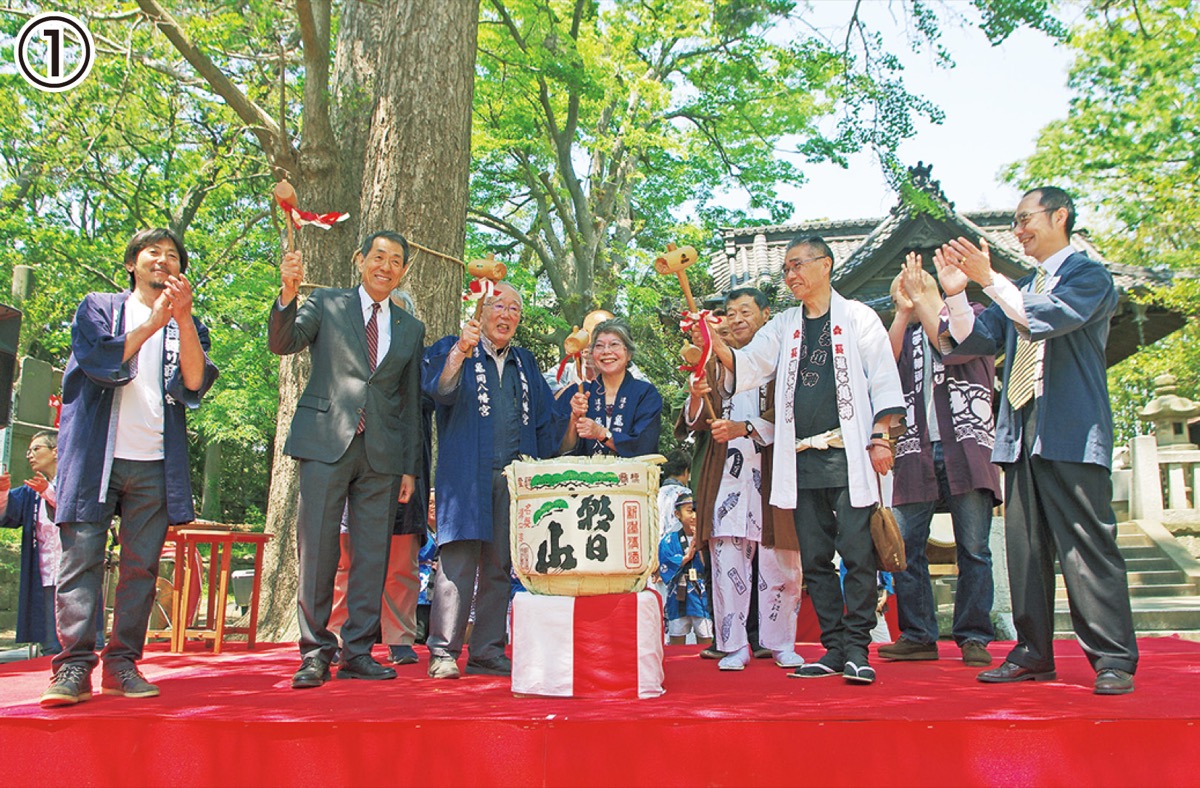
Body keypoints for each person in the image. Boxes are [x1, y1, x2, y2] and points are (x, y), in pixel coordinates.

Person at [936, 186, 1138, 695]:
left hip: (1072, 429)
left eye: (1026, 218)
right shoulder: (1024, 286)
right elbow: (976, 340)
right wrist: (958, 292)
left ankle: (1112, 658)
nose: (1019, 230)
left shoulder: (1088, 276)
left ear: (1060, 216)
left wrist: (991, 280)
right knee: (1025, 550)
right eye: (1016, 221)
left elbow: (1044, 318)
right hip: (1020, 432)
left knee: (1086, 547)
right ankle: (1032, 653)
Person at [710, 236, 904, 685]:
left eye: (798, 265)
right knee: (815, 556)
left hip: (849, 453)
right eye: (786, 269)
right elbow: (747, 365)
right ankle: (834, 648)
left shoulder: (859, 317)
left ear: (826, 265)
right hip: (799, 459)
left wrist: (880, 438)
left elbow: (883, 380)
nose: (792, 275)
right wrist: (711, 340)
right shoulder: (784, 325)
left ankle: (858, 647)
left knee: (858, 553)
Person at [42, 228, 218, 707]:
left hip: (155, 464)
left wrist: (179, 321)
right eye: (152, 254)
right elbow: (99, 359)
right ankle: (74, 666)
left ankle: (122, 664)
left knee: (141, 568)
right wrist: (153, 321)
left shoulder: (188, 322)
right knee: (80, 562)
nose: (163, 261)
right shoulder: (99, 307)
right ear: (132, 263)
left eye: (173, 257)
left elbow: (195, 381)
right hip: (95, 457)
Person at [269, 232, 425, 689]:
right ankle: (315, 651)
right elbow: (284, 342)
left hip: (382, 453)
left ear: (403, 272)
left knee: (372, 554)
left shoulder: (410, 327)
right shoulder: (327, 303)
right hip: (325, 441)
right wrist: (287, 296)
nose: (386, 266)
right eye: (378, 257)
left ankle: (358, 650)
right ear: (360, 261)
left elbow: (410, 401)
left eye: (396, 261)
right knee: (317, 549)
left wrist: (410, 468)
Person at [423, 282, 579, 679]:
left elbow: (547, 425)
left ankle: (487, 650)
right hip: (465, 476)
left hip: (512, 478)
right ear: (481, 310)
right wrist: (460, 349)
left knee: (498, 566)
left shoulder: (525, 363)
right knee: (456, 563)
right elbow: (437, 390)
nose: (506, 314)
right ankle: (443, 651)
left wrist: (574, 418)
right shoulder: (454, 346)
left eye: (515, 309)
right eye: (499, 305)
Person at [879, 257, 1001, 667]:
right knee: (905, 547)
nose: (911, 289)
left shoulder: (974, 318)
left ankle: (973, 635)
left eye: (916, 284)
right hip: (915, 447)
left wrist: (931, 297)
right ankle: (917, 634)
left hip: (968, 446)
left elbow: (953, 348)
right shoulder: (909, 331)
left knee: (974, 548)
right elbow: (882, 365)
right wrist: (900, 313)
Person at [680, 287, 804, 671]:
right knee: (726, 558)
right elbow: (693, 420)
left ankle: (780, 641)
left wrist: (745, 427)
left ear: (766, 315)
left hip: (772, 473)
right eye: (730, 313)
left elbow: (795, 418)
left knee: (780, 561)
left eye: (745, 311)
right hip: (726, 476)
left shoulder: (785, 361)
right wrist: (698, 394)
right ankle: (733, 643)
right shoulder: (713, 362)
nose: (736, 319)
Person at [327, 288, 433, 667]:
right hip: (352, 465)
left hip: (403, 469)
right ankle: (337, 634)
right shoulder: (351, 359)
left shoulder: (422, 364)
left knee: (401, 564)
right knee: (343, 561)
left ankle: (399, 636)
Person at [562, 318, 663, 457]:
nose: (606, 351)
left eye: (614, 344)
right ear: (592, 354)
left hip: (629, 477)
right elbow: (560, 449)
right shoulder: (579, 392)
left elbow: (643, 447)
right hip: (586, 477)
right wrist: (574, 419)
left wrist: (600, 433)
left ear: (629, 354)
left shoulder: (645, 394)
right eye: (599, 346)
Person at [1, 432, 63, 655]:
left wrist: (47, 492)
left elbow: (75, 510)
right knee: (50, 644)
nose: (29, 455)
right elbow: (7, 513)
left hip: (73, 569)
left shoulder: (75, 480)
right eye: (28, 450)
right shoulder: (31, 490)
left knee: (79, 638)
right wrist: (2, 491)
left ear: (55, 451)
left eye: (36, 449)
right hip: (45, 573)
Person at [658, 488, 712, 646]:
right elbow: (665, 564)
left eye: (696, 511)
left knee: (706, 638)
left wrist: (699, 543)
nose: (694, 516)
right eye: (689, 511)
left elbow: (709, 566)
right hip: (678, 594)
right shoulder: (669, 540)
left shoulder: (709, 539)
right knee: (676, 638)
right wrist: (687, 557)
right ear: (677, 514)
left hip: (701, 594)